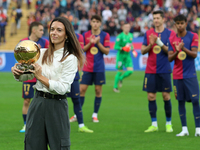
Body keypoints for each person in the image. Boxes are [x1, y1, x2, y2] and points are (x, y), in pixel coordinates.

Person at [11, 16, 85, 149]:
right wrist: (18, 73)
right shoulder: (41, 53)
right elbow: (26, 77)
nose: (54, 33)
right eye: (52, 29)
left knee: (59, 146)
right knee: (32, 145)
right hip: (37, 103)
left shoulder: (70, 58)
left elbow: (62, 88)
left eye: (59, 30)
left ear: (66, 35)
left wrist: (40, 77)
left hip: (57, 106)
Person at [141, 10, 175, 133]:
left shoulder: (170, 34)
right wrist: (150, 45)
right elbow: (143, 51)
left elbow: (171, 52)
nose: (156, 20)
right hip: (150, 70)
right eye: (154, 18)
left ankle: (168, 123)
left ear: (163, 19)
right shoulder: (148, 33)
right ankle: (154, 124)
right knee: (151, 96)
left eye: (158, 18)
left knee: (166, 96)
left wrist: (159, 42)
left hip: (164, 69)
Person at [168, 14, 200, 137]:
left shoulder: (193, 36)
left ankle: (198, 129)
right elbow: (170, 58)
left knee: (195, 100)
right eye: (178, 23)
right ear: (175, 25)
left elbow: (194, 54)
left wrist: (183, 48)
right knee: (180, 101)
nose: (180, 25)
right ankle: (184, 129)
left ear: (186, 24)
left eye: (182, 23)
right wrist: (177, 51)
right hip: (177, 75)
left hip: (190, 74)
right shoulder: (172, 39)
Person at [19, 21, 49, 133]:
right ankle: (26, 124)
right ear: (34, 30)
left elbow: (49, 58)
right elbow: (20, 59)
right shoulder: (23, 42)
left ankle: (42, 124)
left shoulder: (45, 42)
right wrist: (33, 52)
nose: (43, 32)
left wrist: (41, 52)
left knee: (43, 101)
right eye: (41, 30)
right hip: (28, 76)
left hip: (41, 76)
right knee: (27, 101)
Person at [80, 15, 110, 123]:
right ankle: (77, 113)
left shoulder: (105, 35)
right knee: (81, 90)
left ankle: (95, 114)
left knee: (98, 90)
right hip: (87, 67)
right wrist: (91, 43)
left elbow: (106, 51)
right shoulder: (85, 35)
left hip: (99, 68)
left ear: (100, 23)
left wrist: (98, 43)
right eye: (93, 21)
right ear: (91, 23)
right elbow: (82, 49)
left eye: (97, 21)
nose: (95, 23)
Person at [68, 33, 93, 133]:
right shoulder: (59, 36)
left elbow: (80, 54)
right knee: (59, 101)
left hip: (74, 74)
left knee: (76, 100)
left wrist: (81, 70)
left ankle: (81, 125)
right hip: (60, 75)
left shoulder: (78, 36)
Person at [113, 22, 135, 93]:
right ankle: (115, 87)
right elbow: (115, 47)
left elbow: (130, 45)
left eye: (128, 27)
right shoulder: (120, 36)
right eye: (126, 27)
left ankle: (121, 78)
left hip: (127, 56)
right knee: (119, 72)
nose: (127, 28)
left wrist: (133, 51)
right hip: (120, 57)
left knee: (130, 71)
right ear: (123, 28)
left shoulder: (131, 35)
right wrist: (122, 48)